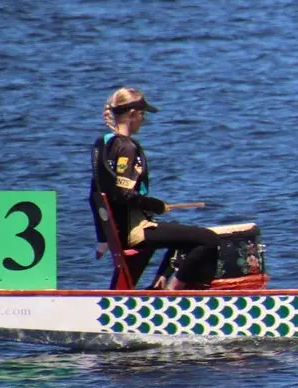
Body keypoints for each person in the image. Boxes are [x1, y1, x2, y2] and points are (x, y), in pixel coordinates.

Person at [88, 88, 220, 290]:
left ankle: (158, 286)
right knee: (208, 239)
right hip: (133, 231)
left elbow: (95, 194)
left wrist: (103, 238)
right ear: (133, 114)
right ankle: (172, 292)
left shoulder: (104, 145)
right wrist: (156, 205)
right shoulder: (127, 148)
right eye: (142, 114)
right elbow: (125, 194)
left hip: (118, 230)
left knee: (180, 233)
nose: (144, 119)